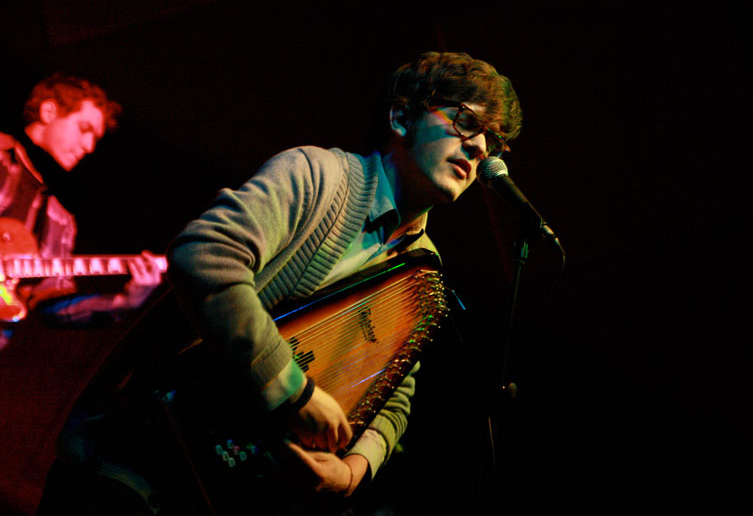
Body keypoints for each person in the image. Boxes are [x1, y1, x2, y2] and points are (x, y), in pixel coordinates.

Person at [35, 51, 523, 515]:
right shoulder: (319, 175)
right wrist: (292, 392)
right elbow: (205, 255)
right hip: (132, 465)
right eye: (465, 121)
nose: (480, 147)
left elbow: (395, 391)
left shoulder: (424, 265)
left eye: (493, 141)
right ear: (401, 117)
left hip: (220, 498)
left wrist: (353, 471)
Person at [0, 73, 163, 349]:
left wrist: (125, 302)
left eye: (95, 138)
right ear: (49, 111)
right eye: (84, 128)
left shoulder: (59, 219)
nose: (88, 147)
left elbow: (52, 304)